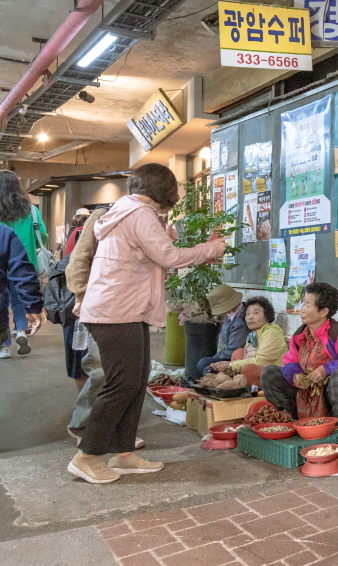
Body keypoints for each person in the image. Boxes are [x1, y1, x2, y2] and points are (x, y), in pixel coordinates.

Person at [68, 164, 226, 484]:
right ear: (166, 189)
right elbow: (169, 257)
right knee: (122, 384)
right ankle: (87, 457)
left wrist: (165, 241)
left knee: (136, 381)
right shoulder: (139, 212)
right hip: (116, 311)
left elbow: (148, 258)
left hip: (125, 309)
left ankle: (123, 452)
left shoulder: (128, 211)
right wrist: (212, 248)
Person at [261, 282, 338, 424]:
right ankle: (291, 416)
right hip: (306, 392)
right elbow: (290, 360)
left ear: (323, 312)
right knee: (269, 373)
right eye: (303, 303)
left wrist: (325, 369)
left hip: (335, 393)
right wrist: (295, 374)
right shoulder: (299, 334)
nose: (302, 309)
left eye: (307, 305)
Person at [0, 170, 48, 357]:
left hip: (2, 264)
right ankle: (21, 330)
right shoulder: (31, 211)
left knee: (3, 301)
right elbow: (42, 235)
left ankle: (5, 345)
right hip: (24, 262)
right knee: (18, 300)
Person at [209, 296, 287, 388]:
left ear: (267, 316)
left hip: (274, 377)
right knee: (238, 353)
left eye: (256, 313)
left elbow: (261, 362)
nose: (250, 317)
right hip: (256, 372)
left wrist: (229, 365)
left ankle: (247, 391)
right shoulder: (253, 334)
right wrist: (220, 368)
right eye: (247, 314)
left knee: (249, 369)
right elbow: (247, 359)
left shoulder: (272, 333)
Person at [44, 253, 86, 390]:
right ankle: (89, 401)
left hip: (73, 309)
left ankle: (86, 401)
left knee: (79, 362)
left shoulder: (77, 245)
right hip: (80, 307)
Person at [0, 225, 43, 354]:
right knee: (16, 302)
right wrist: (33, 306)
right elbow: (22, 272)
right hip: (18, 261)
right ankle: (21, 331)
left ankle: (6, 346)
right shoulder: (5, 232)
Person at [195, 284, 251, 379]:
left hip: (238, 359)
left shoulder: (240, 322)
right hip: (231, 356)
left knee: (207, 368)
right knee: (203, 363)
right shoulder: (232, 315)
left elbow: (233, 349)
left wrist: (217, 359)